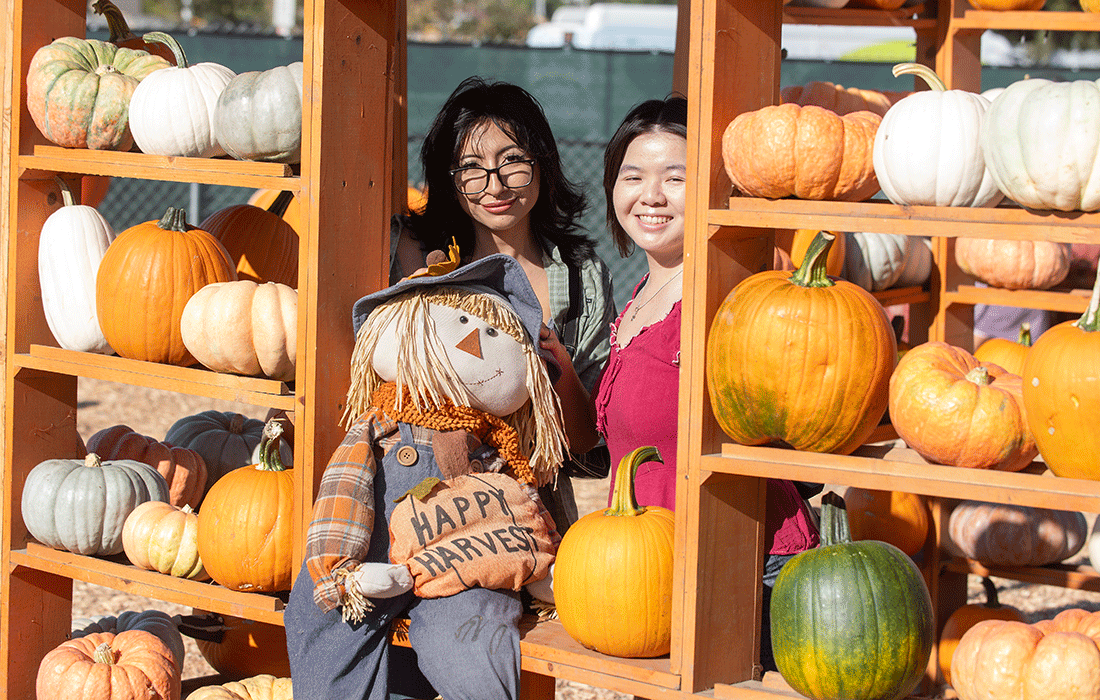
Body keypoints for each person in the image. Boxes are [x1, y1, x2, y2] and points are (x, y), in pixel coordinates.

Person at [591, 96, 819, 673]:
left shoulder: (726, 302)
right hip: (658, 569)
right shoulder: (642, 297)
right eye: (633, 177)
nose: (652, 196)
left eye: (677, 177)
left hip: (742, 566)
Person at [392, 76, 617, 533]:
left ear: (543, 165)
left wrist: (561, 371)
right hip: (418, 493)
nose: (495, 185)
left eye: (513, 161)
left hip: (531, 512)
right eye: (471, 167)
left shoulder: (580, 278)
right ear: (449, 179)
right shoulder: (418, 255)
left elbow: (587, 446)